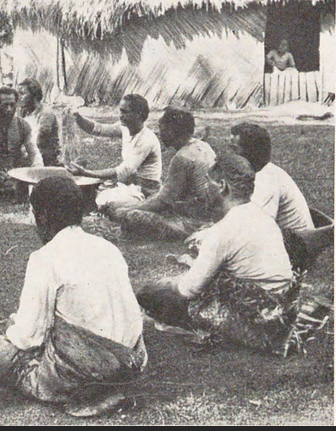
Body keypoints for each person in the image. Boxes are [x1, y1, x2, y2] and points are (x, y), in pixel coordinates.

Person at [0, 177, 146, 410]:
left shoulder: (45, 258)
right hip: (134, 361)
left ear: (42, 217)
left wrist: (12, 329)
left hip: (86, 372)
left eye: (33, 214)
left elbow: (27, 338)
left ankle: (81, 386)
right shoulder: (108, 248)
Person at [137, 151, 297, 353]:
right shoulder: (262, 216)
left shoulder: (225, 229)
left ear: (222, 186)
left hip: (257, 321)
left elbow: (188, 290)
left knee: (149, 293)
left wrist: (166, 282)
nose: (204, 189)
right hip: (280, 309)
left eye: (208, 183)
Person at [230, 122, 332, 271]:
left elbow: (256, 228)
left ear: (250, 152)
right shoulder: (263, 172)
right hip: (287, 239)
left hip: (294, 248)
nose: (230, 154)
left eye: (234, 149)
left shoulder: (264, 180)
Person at [106, 108, 216, 240]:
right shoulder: (203, 146)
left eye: (162, 129)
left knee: (131, 216)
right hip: (208, 216)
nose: (160, 133)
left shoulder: (182, 157)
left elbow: (163, 202)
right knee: (123, 206)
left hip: (193, 223)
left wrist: (126, 210)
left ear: (172, 131)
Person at [69, 93, 162, 211]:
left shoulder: (146, 140)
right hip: (130, 184)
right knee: (98, 196)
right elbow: (97, 129)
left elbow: (122, 171)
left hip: (146, 190)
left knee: (104, 201)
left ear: (138, 114)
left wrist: (86, 173)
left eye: (125, 112)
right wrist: (77, 117)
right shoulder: (125, 128)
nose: (120, 115)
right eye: (120, 111)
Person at [18, 78, 61, 167]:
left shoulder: (45, 113)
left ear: (34, 95)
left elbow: (39, 142)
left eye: (22, 94)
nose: (19, 97)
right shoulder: (23, 112)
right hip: (27, 156)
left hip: (45, 160)